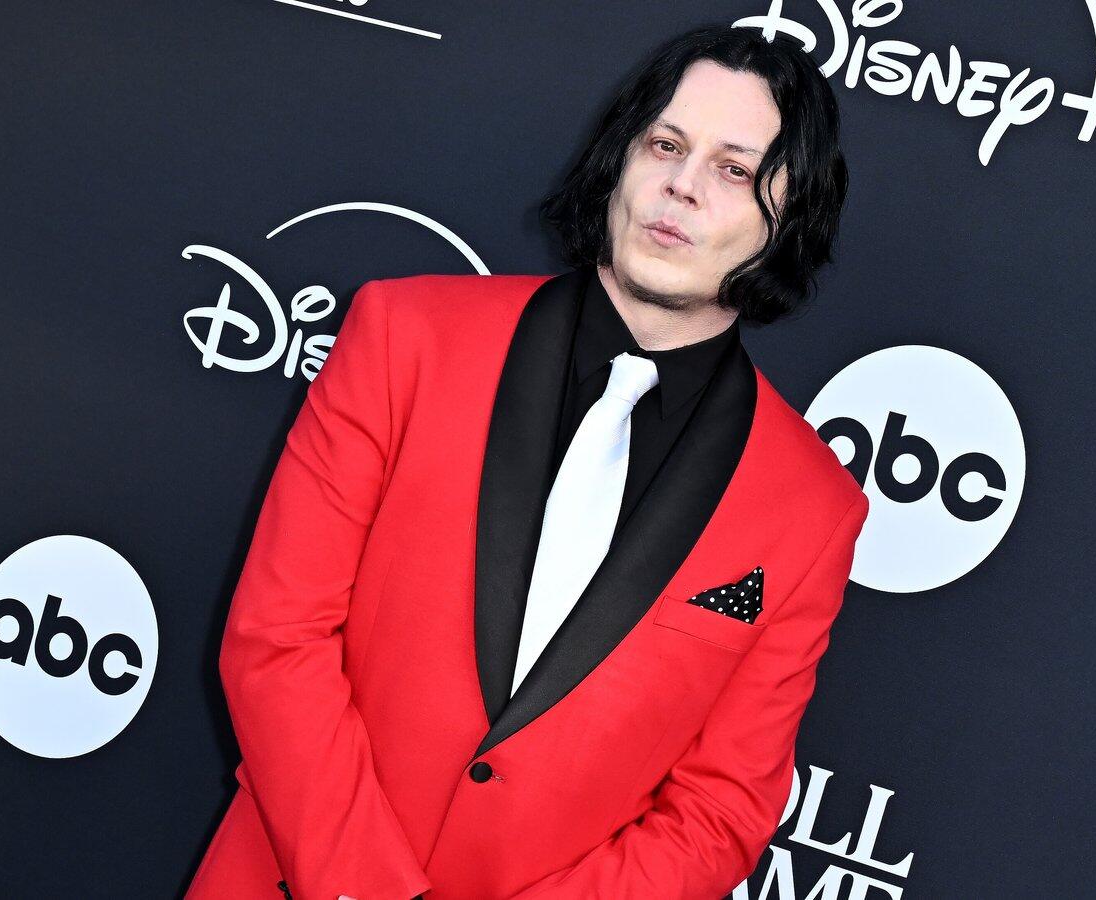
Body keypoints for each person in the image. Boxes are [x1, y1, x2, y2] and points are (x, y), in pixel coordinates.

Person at [186, 21, 867, 900]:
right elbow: (277, 638)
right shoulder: (404, 338)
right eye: (665, 145)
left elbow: (720, 811)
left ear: (794, 215)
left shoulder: (811, 508)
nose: (680, 185)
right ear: (620, 158)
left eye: (734, 169)